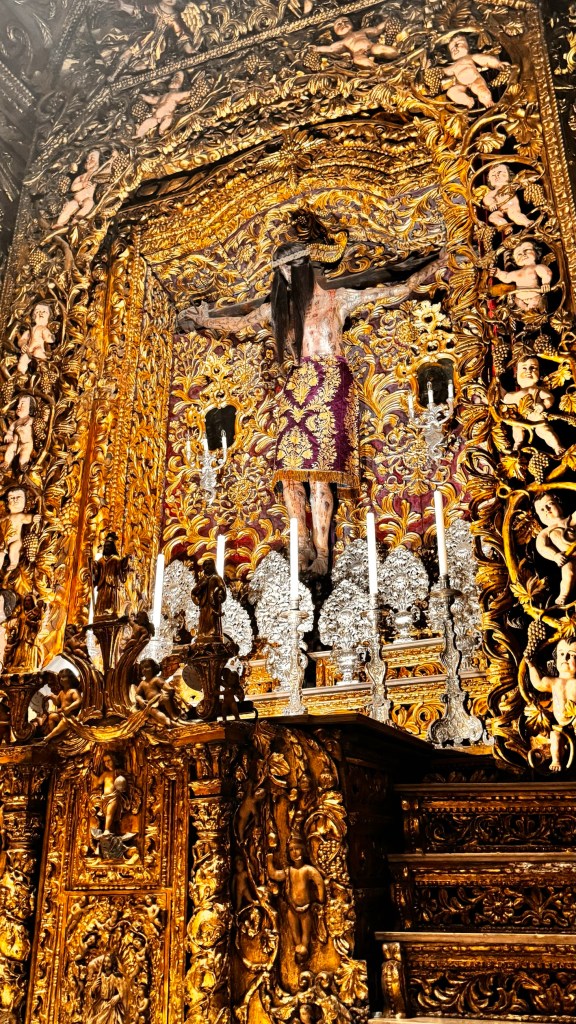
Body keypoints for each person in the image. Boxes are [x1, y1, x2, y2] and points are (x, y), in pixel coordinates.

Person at [182, 244, 446, 575]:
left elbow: (397, 289)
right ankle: (301, 543)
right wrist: (204, 319)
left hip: (331, 383)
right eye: (281, 269)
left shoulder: (337, 298)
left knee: (320, 475)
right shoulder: (280, 309)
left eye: (291, 266)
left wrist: (436, 265)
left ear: (306, 265)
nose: (287, 273)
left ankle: (322, 553)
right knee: (289, 474)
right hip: (296, 388)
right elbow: (240, 323)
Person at [267, 835, 326, 960]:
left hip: (306, 908)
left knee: (306, 934)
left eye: (297, 849)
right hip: (292, 908)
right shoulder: (288, 871)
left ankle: (304, 950)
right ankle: (299, 950)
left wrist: (320, 898)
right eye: (291, 850)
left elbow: (319, 881)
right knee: (295, 935)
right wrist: (269, 859)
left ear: (303, 850)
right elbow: (274, 875)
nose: (294, 852)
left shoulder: (308, 870)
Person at [526, 638, 576, 771]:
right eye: (561, 654)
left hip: (575, 723)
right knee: (555, 737)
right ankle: (556, 760)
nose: (565, 658)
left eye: (572, 655)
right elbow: (537, 683)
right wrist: (531, 666)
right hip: (560, 725)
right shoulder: (553, 682)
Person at [502, 355, 564, 455]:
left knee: (545, 431)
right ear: (516, 374)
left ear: (539, 374)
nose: (528, 371)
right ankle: (517, 445)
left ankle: (557, 447)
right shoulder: (515, 394)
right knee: (517, 430)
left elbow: (550, 398)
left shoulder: (538, 390)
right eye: (524, 368)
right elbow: (506, 399)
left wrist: (543, 405)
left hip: (536, 416)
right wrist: (498, 386)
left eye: (533, 368)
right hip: (519, 417)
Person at [442, 33, 508, 109]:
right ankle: (467, 101)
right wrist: (436, 73)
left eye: (458, 44)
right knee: (451, 92)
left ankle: (488, 101)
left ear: (469, 46)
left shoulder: (470, 57)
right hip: (461, 84)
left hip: (475, 80)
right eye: (452, 49)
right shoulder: (453, 66)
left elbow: (486, 60)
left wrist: (497, 64)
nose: (455, 49)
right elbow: (444, 72)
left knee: (481, 89)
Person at [534, 492, 576, 606]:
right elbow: (542, 547)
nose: (547, 510)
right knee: (569, 573)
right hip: (568, 558)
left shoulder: (570, 519)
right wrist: (555, 556)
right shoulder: (545, 533)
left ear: (558, 503)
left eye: (550, 504)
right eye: (542, 510)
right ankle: (563, 595)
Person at [313, 15, 399, 69]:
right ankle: (375, 68)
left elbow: (377, 29)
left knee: (382, 48)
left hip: (371, 47)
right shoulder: (343, 42)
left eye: (346, 21)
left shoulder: (362, 31)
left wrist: (386, 21)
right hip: (358, 53)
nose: (343, 24)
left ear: (352, 24)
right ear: (335, 32)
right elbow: (330, 48)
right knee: (358, 60)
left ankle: (397, 55)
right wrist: (316, 48)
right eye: (339, 24)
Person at [491, 240, 552, 312]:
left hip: (534, 295)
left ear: (536, 252)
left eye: (526, 250)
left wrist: (546, 283)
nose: (523, 254)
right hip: (519, 297)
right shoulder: (517, 273)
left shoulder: (536, 267)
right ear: (515, 260)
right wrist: (498, 273)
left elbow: (546, 273)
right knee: (517, 301)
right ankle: (526, 310)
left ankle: (532, 310)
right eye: (519, 254)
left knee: (536, 301)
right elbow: (506, 277)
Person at [134, 71, 191, 138]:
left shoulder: (177, 95)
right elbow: (152, 99)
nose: (172, 79)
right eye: (173, 77)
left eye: (177, 77)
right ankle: (139, 135)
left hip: (166, 116)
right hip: (155, 117)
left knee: (168, 120)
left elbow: (188, 94)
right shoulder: (163, 96)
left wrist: (194, 90)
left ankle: (162, 132)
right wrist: (144, 97)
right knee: (147, 123)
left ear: (182, 84)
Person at [482, 164, 532, 232]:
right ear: (489, 181)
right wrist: (492, 203)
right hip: (499, 209)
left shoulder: (511, 186)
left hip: (512, 206)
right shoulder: (493, 192)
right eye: (493, 175)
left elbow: (520, 185)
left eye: (500, 172)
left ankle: (526, 222)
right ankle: (506, 227)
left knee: (513, 214)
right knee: (492, 217)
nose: (497, 176)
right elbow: (487, 198)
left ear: (510, 176)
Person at [0, 487, 40, 571]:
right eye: (12, 497)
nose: (15, 500)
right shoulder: (5, 517)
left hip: (15, 541)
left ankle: (13, 563)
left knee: (13, 549)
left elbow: (27, 518)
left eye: (19, 497)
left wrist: (33, 518)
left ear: (25, 502)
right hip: (3, 542)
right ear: (7, 502)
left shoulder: (20, 516)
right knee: (0, 554)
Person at [90, 532, 130, 618]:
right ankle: (100, 612)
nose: (107, 548)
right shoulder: (100, 560)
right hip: (102, 584)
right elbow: (96, 574)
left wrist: (126, 560)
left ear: (112, 547)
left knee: (111, 600)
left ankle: (111, 611)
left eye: (109, 546)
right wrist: (93, 567)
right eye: (106, 546)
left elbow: (122, 568)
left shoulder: (116, 559)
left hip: (112, 584)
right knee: (102, 600)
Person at [134, 658, 179, 725]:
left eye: (147, 667)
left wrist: (169, 689)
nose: (144, 670)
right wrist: (141, 700)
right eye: (142, 668)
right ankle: (167, 721)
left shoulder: (156, 679)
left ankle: (173, 715)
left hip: (158, 698)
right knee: (154, 712)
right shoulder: (142, 683)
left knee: (165, 697)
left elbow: (163, 685)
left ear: (154, 668)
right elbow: (137, 695)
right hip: (150, 703)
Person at [42, 668, 82, 741]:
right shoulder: (62, 692)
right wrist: (53, 697)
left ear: (70, 679)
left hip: (71, 717)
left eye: (63, 677)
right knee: (51, 716)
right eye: (60, 677)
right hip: (63, 714)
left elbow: (78, 701)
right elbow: (57, 702)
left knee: (63, 723)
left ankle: (49, 737)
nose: (61, 679)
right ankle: (54, 734)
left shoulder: (73, 691)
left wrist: (69, 708)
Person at [190, 558, 226, 637]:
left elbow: (222, 588)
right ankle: (203, 633)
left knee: (212, 617)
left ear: (213, 566)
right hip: (204, 603)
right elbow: (194, 591)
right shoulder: (203, 579)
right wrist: (201, 586)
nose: (207, 566)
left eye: (209, 564)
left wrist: (219, 595)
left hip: (213, 602)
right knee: (204, 619)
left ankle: (213, 631)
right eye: (205, 565)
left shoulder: (216, 578)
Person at [17, 302, 54, 373]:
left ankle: (42, 370)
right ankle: (21, 374)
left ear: (49, 317)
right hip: (29, 350)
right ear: (33, 316)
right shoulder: (30, 330)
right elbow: (22, 339)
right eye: (37, 311)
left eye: (44, 311)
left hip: (39, 348)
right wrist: (23, 344)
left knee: (38, 353)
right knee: (22, 361)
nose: (41, 313)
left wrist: (51, 337)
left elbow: (49, 339)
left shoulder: (44, 329)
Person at [3, 394, 36, 470]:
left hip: (26, 443)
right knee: (10, 449)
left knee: (24, 454)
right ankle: (6, 463)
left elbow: (35, 425)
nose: (18, 406)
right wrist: (9, 435)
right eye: (18, 404)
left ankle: (23, 465)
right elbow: (10, 430)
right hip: (15, 443)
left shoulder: (30, 419)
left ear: (30, 407)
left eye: (22, 403)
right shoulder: (16, 422)